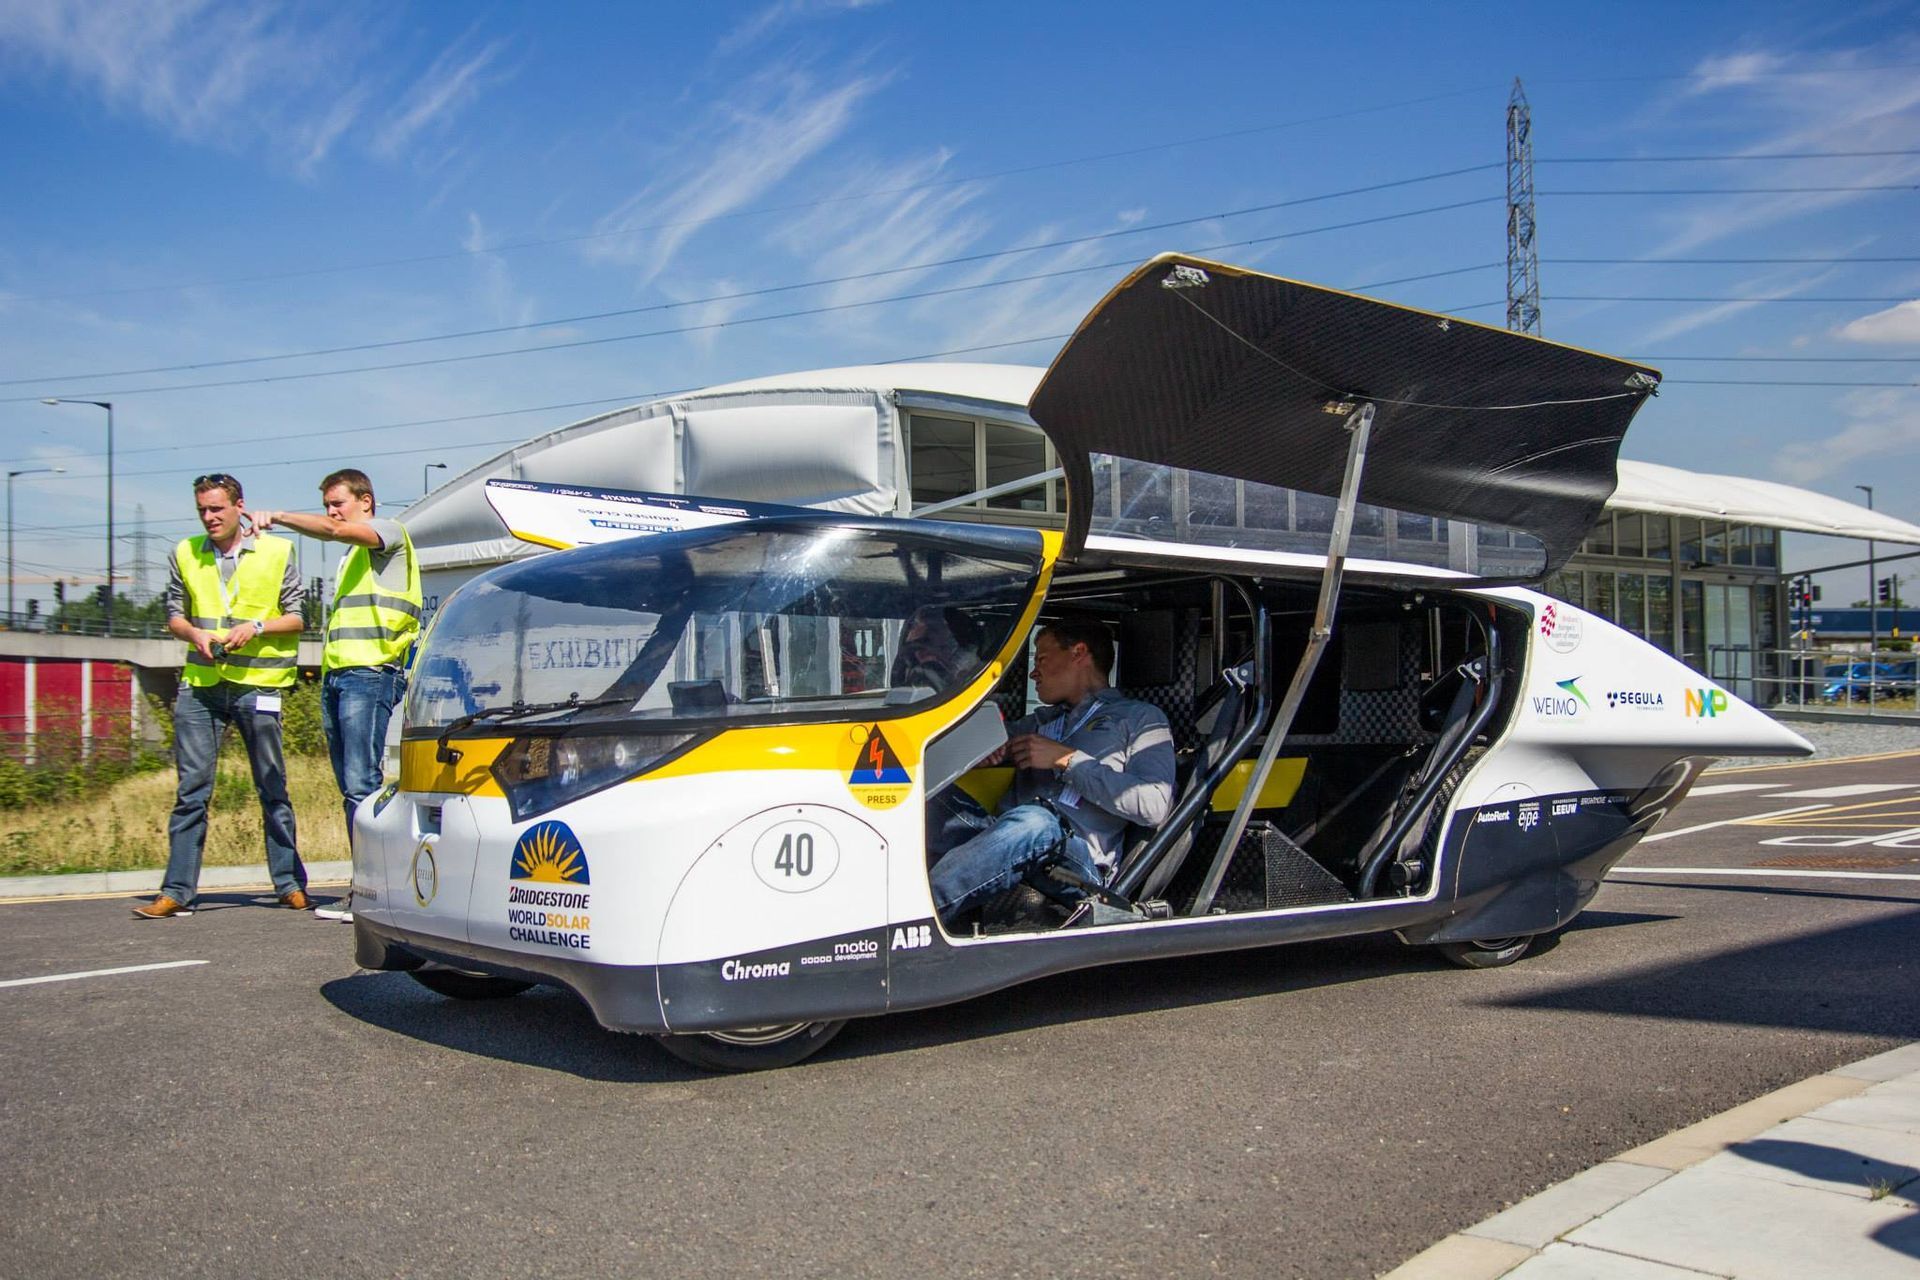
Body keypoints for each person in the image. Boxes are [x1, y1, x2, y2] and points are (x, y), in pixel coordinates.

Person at [927, 613, 1175, 924]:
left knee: (1036, 822)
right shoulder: (1043, 720)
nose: (1033, 672)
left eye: (1042, 658)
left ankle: (912, 916)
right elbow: (974, 744)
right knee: (918, 794)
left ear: (1078, 653)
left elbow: (1154, 805)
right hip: (1004, 837)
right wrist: (978, 753)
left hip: (1074, 864)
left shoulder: (1140, 718)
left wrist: (1067, 760)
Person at [255, 468, 422, 923]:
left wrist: (280, 517)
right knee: (352, 787)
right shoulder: (354, 559)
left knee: (361, 787)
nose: (332, 513)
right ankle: (369, 888)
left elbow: (331, 531)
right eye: (328, 505)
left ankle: (372, 893)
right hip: (341, 677)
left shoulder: (389, 535)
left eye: (338, 504)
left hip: (369, 674)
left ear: (366, 502)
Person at [137, 474, 307, 919]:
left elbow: (296, 618)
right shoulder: (184, 553)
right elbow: (174, 614)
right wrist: (193, 633)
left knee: (272, 788)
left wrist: (255, 627)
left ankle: (289, 883)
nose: (209, 518)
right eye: (203, 511)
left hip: (259, 686)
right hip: (202, 686)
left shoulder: (278, 551)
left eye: (217, 509)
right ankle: (176, 891)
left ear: (239, 507)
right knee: (191, 790)